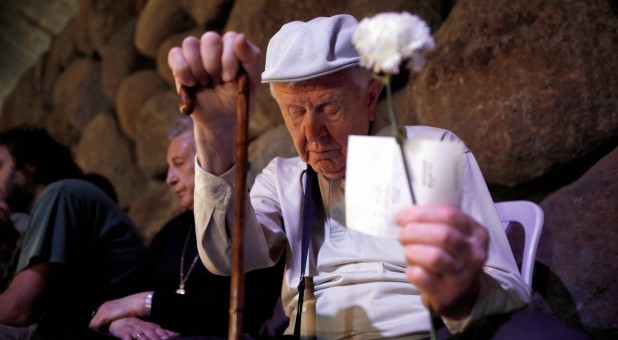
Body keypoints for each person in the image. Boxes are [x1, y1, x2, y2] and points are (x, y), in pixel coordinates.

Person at [167, 14, 586, 339]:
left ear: (370, 98)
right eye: (295, 112)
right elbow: (226, 259)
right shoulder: (283, 179)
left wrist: (465, 293)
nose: (311, 133)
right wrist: (215, 140)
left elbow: (507, 293)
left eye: (328, 107)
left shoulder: (426, 151)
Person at [90, 116, 284, 339]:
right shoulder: (174, 230)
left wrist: (145, 303)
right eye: (169, 167)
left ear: (210, 161)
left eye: (179, 163)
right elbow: (119, 297)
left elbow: (247, 309)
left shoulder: (257, 220)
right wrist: (121, 321)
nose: (169, 179)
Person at [0, 125, 145, 339]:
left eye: (0, 166)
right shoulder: (32, 219)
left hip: (101, 329)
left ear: (28, 166)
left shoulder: (62, 194)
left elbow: (16, 310)